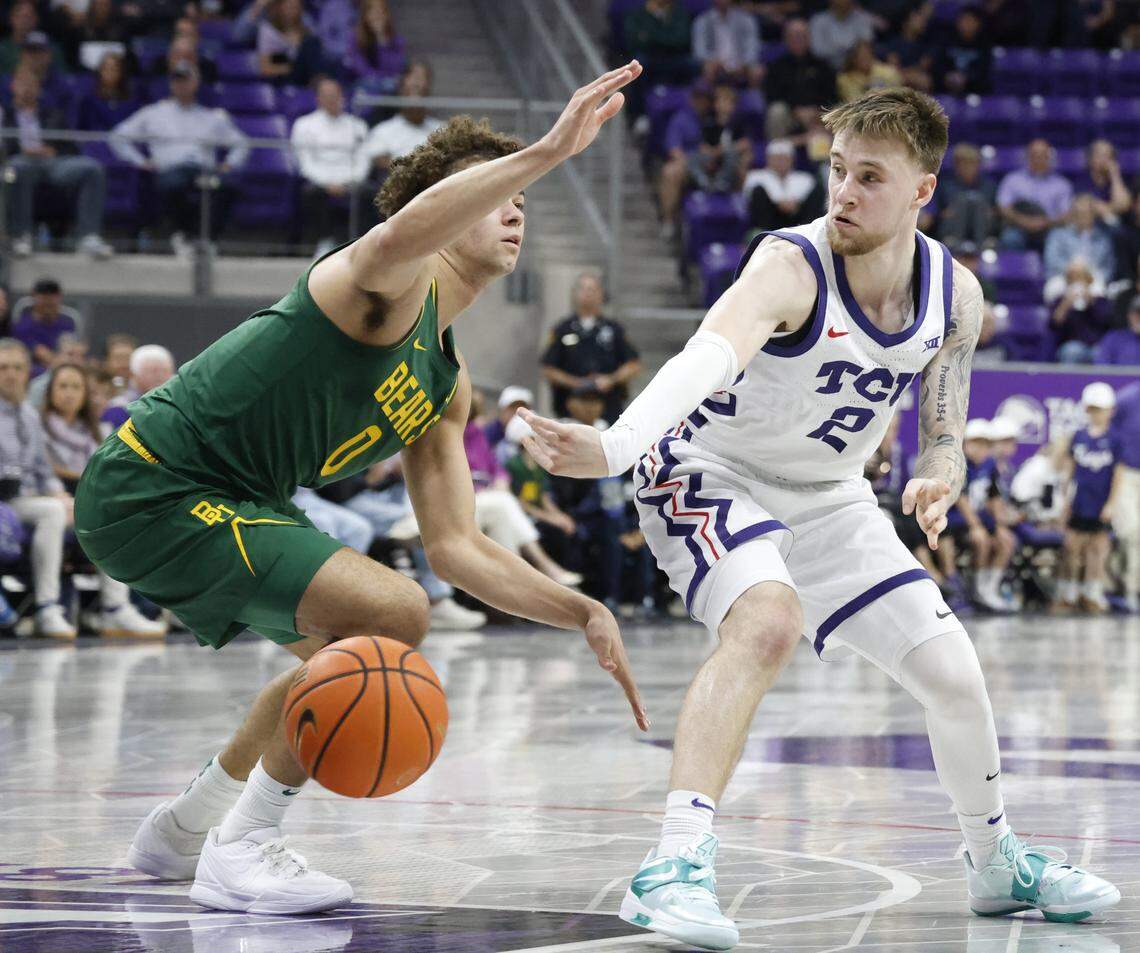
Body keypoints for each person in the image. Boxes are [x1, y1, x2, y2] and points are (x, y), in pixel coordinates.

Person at [516, 87, 1119, 949]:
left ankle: (993, 860)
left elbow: (945, 431)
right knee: (766, 621)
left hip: (830, 492)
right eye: (836, 170)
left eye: (869, 177)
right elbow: (705, 357)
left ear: (922, 191)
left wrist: (939, 477)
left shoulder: (956, 296)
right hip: (707, 467)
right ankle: (672, 866)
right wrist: (615, 447)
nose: (842, 194)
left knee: (953, 671)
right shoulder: (789, 266)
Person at [74, 62, 647, 917]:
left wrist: (582, 608)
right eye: (490, 192)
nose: (516, 205)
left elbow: (455, 545)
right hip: (152, 482)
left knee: (346, 663)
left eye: (520, 195)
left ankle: (183, 830)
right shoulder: (375, 283)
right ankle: (244, 845)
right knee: (394, 615)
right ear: (438, 214)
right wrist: (547, 149)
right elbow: (396, 237)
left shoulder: (448, 383)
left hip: (235, 501)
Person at [109, 63, 249, 254]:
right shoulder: (153, 113)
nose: (182, 85)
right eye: (177, 81)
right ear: (171, 84)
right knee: (174, 184)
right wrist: (139, 161)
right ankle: (185, 235)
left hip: (203, 171)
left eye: (186, 80)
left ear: (196, 83)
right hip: (169, 171)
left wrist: (229, 164)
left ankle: (207, 239)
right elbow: (118, 136)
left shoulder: (211, 116)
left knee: (228, 186)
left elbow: (242, 143)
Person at [5, 68, 113, 261]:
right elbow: (3, 147)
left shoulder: (52, 113)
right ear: (13, 86)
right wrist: (23, 150)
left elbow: (70, 146)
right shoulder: (5, 115)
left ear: (39, 89)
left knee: (92, 169)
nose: (27, 89)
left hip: (54, 163)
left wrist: (53, 150)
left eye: (32, 84)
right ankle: (21, 236)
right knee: (15, 169)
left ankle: (88, 237)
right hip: (21, 162)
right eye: (23, 84)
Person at [1053, 382, 1123, 614]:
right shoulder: (1079, 437)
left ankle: (1092, 592)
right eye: (1092, 409)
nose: (1096, 414)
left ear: (1110, 410)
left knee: (1098, 548)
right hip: (1079, 500)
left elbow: (1118, 474)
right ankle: (1068, 592)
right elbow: (1070, 469)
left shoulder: (1115, 439)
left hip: (1100, 501)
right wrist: (1064, 499)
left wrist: (1112, 503)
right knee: (1072, 546)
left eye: (1100, 409)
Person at [541, 273, 642, 424]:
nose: (587, 293)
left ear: (601, 294)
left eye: (592, 289)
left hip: (608, 412)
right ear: (574, 293)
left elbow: (634, 365)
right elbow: (548, 369)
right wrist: (575, 382)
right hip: (570, 410)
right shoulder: (562, 329)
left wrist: (611, 379)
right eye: (583, 288)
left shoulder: (614, 329)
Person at [289, 77, 371, 257]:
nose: (332, 99)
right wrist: (328, 184)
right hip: (318, 181)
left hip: (350, 180)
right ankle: (324, 241)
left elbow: (363, 160)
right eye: (327, 95)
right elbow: (304, 163)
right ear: (318, 98)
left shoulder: (357, 126)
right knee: (311, 193)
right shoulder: (304, 125)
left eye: (335, 95)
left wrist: (348, 182)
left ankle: (362, 244)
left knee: (370, 193)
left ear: (343, 96)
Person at [361, 61, 442, 181]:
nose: (417, 84)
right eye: (413, 78)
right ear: (401, 88)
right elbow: (378, 159)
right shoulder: (383, 130)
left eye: (422, 78)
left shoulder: (442, 129)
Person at [763, 18, 836, 142]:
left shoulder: (823, 65)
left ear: (809, 38)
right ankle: (778, 151)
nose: (798, 39)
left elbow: (832, 95)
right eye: (793, 36)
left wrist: (815, 110)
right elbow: (772, 95)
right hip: (789, 114)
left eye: (802, 36)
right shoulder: (776, 66)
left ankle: (827, 159)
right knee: (776, 111)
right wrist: (795, 110)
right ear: (786, 39)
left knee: (837, 113)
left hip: (817, 113)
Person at [996, 139, 1073, 252]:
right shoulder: (1012, 179)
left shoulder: (1061, 184)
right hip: (1018, 226)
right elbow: (1003, 207)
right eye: (1034, 155)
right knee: (1010, 238)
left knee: (1059, 238)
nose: (1038, 159)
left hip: (1049, 228)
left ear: (1048, 157)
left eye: (1042, 155)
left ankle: (1053, 270)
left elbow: (1067, 213)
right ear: (1028, 157)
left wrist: (1045, 222)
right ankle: (1013, 270)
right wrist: (1024, 221)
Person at [743, 139, 823, 236]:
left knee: (818, 189)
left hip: (798, 220)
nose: (780, 162)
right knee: (758, 191)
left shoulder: (805, 178)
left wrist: (793, 204)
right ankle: (764, 233)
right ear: (769, 159)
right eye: (777, 158)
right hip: (770, 220)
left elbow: (799, 205)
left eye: (784, 158)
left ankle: (809, 234)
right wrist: (780, 203)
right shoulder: (755, 176)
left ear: (792, 160)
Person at [1046, 258, 1112, 364]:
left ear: (1089, 280)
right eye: (1072, 278)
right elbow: (1053, 326)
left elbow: (1106, 323)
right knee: (1072, 351)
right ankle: (1067, 381)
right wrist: (1065, 305)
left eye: (1080, 277)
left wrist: (1090, 301)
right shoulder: (1059, 301)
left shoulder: (1100, 300)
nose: (1076, 281)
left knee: (1101, 352)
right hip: (1070, 345)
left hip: (1097, 345)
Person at [1110, 381, 1140, 612]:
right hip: (1127, 473)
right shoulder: (1126, 398)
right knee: (1130, 532)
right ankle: (1129, 588)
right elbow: (1110, 436)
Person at [12, 278, 78, 378]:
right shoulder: (23, 326)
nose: (48, 302)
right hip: (32, 375)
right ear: (34, 297)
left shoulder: (68, 323)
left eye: (52, 297)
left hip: (63, 373)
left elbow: (73, 349)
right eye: (44, 298)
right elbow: (42, 354)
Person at [1044, 194, 1115, 286]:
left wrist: (1089, 276)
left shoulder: (1103, 238)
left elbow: (1108, 267)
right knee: (1056, 287)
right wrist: (1073, 271)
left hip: (1093, 278)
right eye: (1078, 213)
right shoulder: (1058, 234)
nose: (1082, 216)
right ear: (1072, 214)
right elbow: (1052, 261)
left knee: (1099, 289)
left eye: (1086, 212)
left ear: (1093, 214)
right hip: (1063, 277)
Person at [691, 0, 763, 89]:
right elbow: (699, 51)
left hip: (741, 62)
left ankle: (753, 100)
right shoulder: (702, 21)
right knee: (708, 68)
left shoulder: (746, 20)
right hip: (715, 62)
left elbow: (752, 47)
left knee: (757, 71)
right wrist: (715, 61)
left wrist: (743, 63)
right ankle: (712, 99)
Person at [101, 343, 175, 429]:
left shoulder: (180, 406)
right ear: (134, 374)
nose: (159, 376)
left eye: (164, 370)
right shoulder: (119, 408)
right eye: (152, 371)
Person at [936, 144, 995, 247]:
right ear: (956, 165)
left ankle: (980, 243)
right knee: (962, 201)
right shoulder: (945, 186)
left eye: (971, 163)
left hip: (983, 231)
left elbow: (993, 212)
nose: (967, 167)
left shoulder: (989, 186)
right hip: (952, 231)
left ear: (978, 165)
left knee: (977, 201)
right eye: (963, 163)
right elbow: (938, 213)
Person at [76, 50, 141, 132]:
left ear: (121, 72)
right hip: (97, 142)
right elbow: (87, 128)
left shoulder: (131, 100)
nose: (109, 72)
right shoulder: (89, 100)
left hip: (125, 142)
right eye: (106, 68)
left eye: (114, 69)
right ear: (99, 71)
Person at [345, 0, 406, 84]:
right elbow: (360, 68)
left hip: (389, 84)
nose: (377, 16)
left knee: (392, 83)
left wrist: (381, 39)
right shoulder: (354, 38)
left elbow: (395, 69)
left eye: (380, 13)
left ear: (387, 16)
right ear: (365, 16)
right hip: (364, 83)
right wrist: (378, 79)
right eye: (372, 13)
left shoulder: (397, 41)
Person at [809, 0, 875, 71]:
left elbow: (866, 44)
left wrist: (838, 48)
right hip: (826, 70)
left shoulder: (862, 18)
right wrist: (848, 49)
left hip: (856, 70)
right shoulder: (818, 21)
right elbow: (817, 50)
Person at [836, 39, 901, 102]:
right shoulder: (845, 78)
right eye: (862, 57)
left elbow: (896, 86)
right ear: (854, 59)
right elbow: (854, 101)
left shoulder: (884, 70)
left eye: (868, 55)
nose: (866, 59)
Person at [1095, 294, 1140, 366]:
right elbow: (1101, 368)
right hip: (1119, 377)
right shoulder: (1114, 338)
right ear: (1130, 315)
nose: (1139, 318)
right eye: (1138, 313)